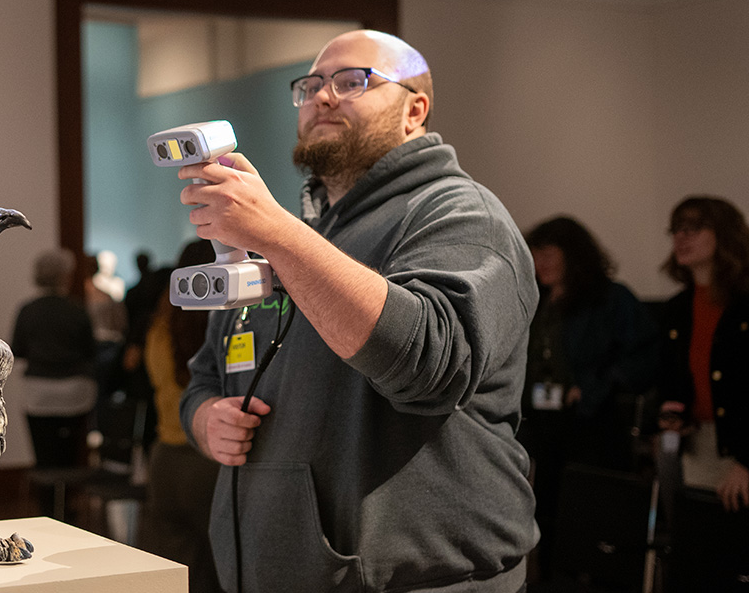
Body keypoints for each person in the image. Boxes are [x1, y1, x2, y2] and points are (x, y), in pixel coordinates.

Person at [177, 29, 538, 592]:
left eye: (352, 82)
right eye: (311, 84)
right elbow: (204, 376)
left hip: (415, 579)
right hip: (272, 570)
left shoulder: (461, 214)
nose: (323, 96)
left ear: (414, 110)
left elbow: (429, 365)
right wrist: (204, 421)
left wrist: (279, 234)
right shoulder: (297, 232)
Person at [518, 216, 658, 578]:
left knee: (590, 514)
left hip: (592, 425)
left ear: (573, 255)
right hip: (541, 425)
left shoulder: (610, 298)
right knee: (545, 514)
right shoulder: (535, 300)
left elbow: (646, 356)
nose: (540, 263)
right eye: (535, 254)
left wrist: (596, 385)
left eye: (549, 253)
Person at [656, 196, 749, 513]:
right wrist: (674, 414)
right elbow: (675, 378)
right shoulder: (676, 309)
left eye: (693, 229)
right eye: (677, 230)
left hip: (741, 448)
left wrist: (747, 462)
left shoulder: (744, 304)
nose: (680, 238)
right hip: (698, 447)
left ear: (725, 235)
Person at [138, 239, 220, 593]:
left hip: (165, 460)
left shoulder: (160, 329)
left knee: (178, 579)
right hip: (210, 463)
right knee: (221, 574)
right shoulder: (221, 329)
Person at [11, 248, 98, 470]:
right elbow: (91, 351)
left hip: (38, 393)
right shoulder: (77, 310)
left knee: (44, 455)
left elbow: (17, 350)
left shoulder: (27, 311)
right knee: (71, 455)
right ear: (65, 276)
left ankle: (47, 502)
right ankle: (69, 499)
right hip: (76, 393)